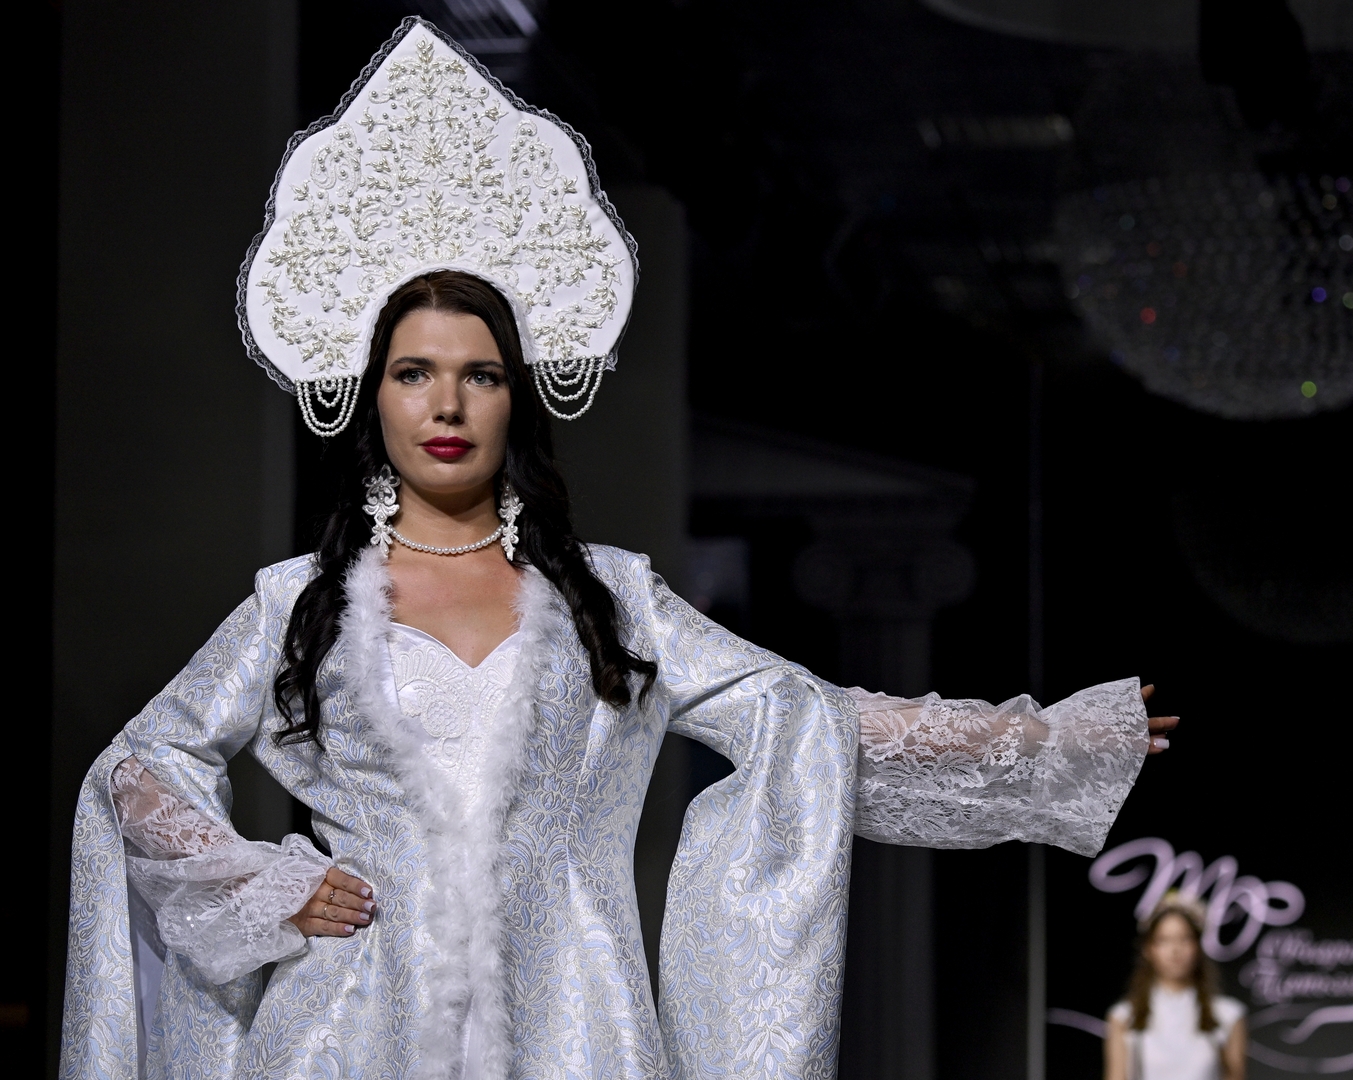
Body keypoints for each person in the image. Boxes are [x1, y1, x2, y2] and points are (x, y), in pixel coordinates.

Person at [61, 19, 1177, 1080]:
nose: (446, 404)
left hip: (573, 1023)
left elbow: (809, 718)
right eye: (413, 373)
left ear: (515, 397)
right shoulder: (296, 604)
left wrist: (1043, 743)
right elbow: (137, 768)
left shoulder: (611, 598)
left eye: (479, 374)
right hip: (343, 1029)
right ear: (374, 396)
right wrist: (265, 885)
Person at [1105, 894, 1247, 1080]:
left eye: (1184, 939)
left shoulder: (1227, 1015)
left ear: (1197, 946)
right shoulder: (1124, 1017)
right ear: (1148, 949)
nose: (1175, 950)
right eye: (1164, 940)